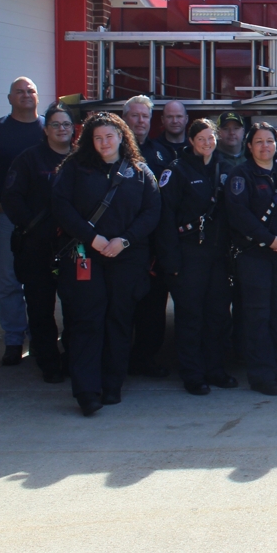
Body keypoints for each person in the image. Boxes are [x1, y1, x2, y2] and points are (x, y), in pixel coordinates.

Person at [50, 112, 161, 416]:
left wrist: (124, 240)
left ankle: (113, 385)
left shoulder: (140, 172)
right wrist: (93, 237)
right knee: (88, 320)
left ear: (122, 137)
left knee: (119, 320)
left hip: (127, 257)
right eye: (97, 137)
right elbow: (61, 206)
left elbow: (152, 212)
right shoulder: (74, 168)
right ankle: (87, 390)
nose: (104, 143)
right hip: (86, 254)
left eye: (109, 136)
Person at [225, 121, 277, 396]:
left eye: (269, 141)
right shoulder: (241, 176)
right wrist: (269, 239)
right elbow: (239, 215)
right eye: (259, 141)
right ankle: (260, 376)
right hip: (255, 257)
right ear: (249, 146)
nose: (265, 146)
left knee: (276, 314)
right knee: (257, 317)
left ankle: (275, 369)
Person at [157, 119, 237, 395]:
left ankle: (215, 369)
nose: (206, 143)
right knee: (191, 317)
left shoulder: (225, 168)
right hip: (188, 255)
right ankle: (193, 374)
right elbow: (165, 218)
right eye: (200, 138)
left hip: (218, 256)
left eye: (210, 138)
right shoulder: (176, 171)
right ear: (190, 141)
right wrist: (171, 261)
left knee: (217, 315)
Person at [2, 102, 75, 383]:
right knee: (40, 306)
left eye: (66, 124)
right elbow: (12, 198)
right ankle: (47, 361)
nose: (61, 129)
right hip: (37, 247)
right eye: (55, 124)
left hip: (72, 247)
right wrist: (35, 228)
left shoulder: (81, 159)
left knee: (75, 306)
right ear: (45, 130)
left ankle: (72, 357)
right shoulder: (28, 159)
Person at [0, 76, 45, 365]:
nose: (25, 95)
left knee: (42, 282)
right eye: (19, 92)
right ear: (9, 98)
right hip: (7, 219)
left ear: (37, 97)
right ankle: (14, 340)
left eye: (30, 91)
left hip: (42, 220)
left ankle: (41, 339)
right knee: (8, 281)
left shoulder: (50, 128)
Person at [125, 95, 173, 379]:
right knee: (121, 306)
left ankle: (145, 358)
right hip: (121, 244)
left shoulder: (160, 154)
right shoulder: (111, 150)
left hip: (153, 245)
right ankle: (117, 359)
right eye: (135, 116)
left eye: (145, 116)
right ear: (125, 118)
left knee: (153, 307)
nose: (140, 121)